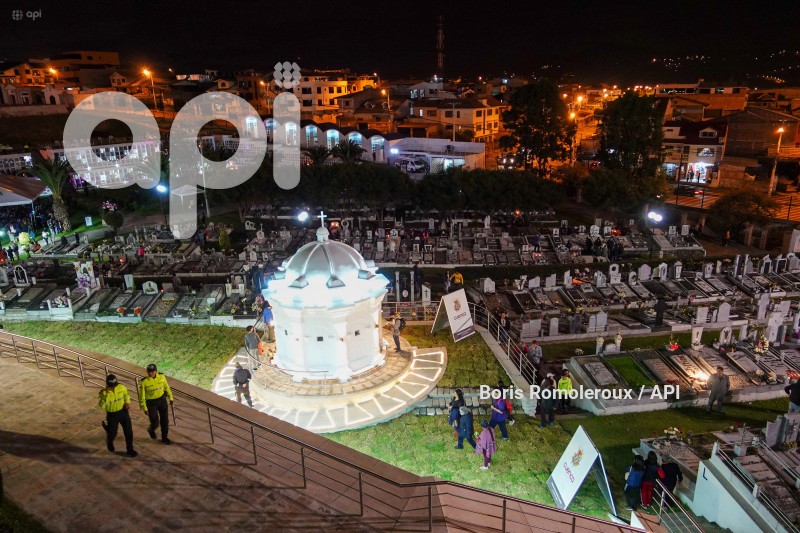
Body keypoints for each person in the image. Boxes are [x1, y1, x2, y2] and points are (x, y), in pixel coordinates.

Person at [98, 374, 138, 457]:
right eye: (112, 386)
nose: (114, 387)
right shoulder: (103, 393)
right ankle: (109, 440)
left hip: (123, 412)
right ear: (107, 385)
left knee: (128, 432)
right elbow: (102, 406)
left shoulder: (121, 387)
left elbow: (126, 394)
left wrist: (127, 402)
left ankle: (130, 450)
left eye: (115, 385)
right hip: (112, 415)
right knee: (113, 433)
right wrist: (107, 395)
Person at [139, 363, 174, 445]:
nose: (150, 373)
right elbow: (142, 396)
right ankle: (151, 429)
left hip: (162, 401)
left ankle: (164, 438)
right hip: (151, 403)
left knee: (165, 421)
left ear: (156, 371)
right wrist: (144, 408)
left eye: (151, 372)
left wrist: (170, 397)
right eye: (148, 372)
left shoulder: (162, 377)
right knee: (155, 422)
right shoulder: (144, 382)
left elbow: (166, 387)